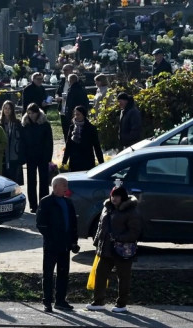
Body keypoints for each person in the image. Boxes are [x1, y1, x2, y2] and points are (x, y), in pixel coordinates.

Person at [86, 185, 143, 314]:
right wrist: (97, 242)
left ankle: (121, 304)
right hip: (106, 249)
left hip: (123, 250)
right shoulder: (107, 208)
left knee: (123, 277)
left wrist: (118, 238)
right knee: (100, 274)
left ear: (123, 197)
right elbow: (101, 226)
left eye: (117, 196)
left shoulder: (131, 211)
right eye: (112, 195)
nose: (114, 198)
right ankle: (98, 302)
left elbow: (135, 232)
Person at [34, 175, 79, 312]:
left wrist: (74, 241)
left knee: (63, 274)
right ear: (55, 187)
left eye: (66, 185)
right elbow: (41, 224)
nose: (66, 188)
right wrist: (51, 238)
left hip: (65, 245)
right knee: (48, 274)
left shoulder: (68, 202)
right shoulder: (46, 202)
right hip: (51, 245)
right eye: (64, 185)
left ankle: (60, 301)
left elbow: (73, 224)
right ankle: (47, 301)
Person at [21, 102, 53, 212]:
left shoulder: (45, 124)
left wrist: (48, 157)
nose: (31, 115)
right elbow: (23, 142)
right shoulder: (25, 125)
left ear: (38, 113)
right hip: (30, 156)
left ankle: (43, 203)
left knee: (43, 181)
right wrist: (24, 156)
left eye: (33, 113)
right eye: (29, 113)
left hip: (42, 156)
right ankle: (33, 205)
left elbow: (49, 142)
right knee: (31, 181)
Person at [62, 105, 104, 172]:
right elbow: (68, 145)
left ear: (83, 115)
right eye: (75, 114)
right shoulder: (72, 127)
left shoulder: (91, 128)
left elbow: (97, 146)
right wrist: (64, 161)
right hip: (74, 161)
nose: (76, 117)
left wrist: (101, 162)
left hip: (87, 161)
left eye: (78, 114)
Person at [0, 99, 25, 185]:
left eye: (9, 108)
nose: (7, 110)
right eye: (5, 108)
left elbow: (21, 139)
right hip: (3, 156)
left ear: (12, 110)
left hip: (15, 155)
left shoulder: (17, 123)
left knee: (15, 180)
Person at [59, 73, 89, 137]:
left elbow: (70, 104)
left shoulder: (71, 90)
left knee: (71, 131)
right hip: (82, 112)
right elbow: (86, 102)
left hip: (73, 113)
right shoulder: (82, 89)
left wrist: (68, 114)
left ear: (70, 81)